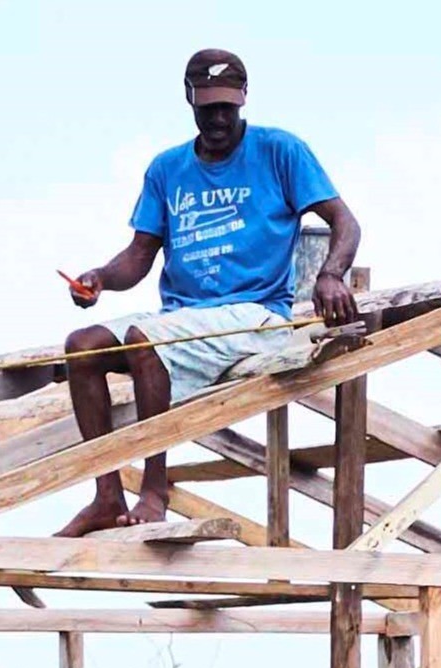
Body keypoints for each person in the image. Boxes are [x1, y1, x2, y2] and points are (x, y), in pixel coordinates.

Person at [52, 47, 361, 533]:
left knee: (145, 341)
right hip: (184, 315)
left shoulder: (280, 150)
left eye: (227, 107)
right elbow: (138, 256)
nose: (218, 118)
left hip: (257, 315)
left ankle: (155, 490)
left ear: (242, 99)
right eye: (208, 107)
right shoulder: (167, 169)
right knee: (81, 347)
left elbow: (344, 222)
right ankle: (106, 495)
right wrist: (100, 280)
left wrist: (331, 274)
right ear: (189, 100)